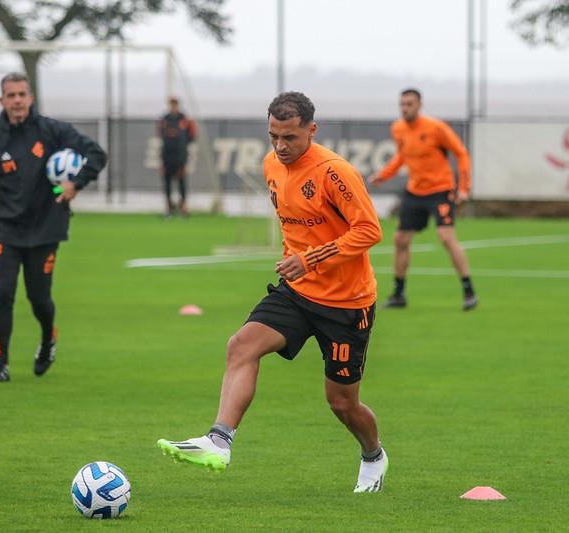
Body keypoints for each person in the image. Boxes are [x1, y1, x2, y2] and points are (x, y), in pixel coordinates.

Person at [157, 92, 388, 493]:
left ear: (311, 131)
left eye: (290, 138)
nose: (280, 147)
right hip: (296, 292)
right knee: (241, 345)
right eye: (273, 137)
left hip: (346, 305)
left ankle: (373, 455)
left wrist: (310, 259)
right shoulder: (270, 165)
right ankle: (219, 441)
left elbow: (370, 230)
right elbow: (294, 226)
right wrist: (295, 263)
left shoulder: (335, 172)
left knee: (342, 404)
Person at [0, 72, 107, 383]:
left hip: (46, 228)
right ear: (2, 101)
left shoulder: (52, 131)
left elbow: (97, 154)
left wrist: (75, 184)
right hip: (5, 229)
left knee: (38, 298)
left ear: (30, 98)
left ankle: (48, 339)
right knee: (3, 293)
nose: (17, 100)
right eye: (11, 95)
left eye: (22, 94)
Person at [368, 88, 477, 311]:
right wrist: (384, 174)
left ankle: (468, 290)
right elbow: (402, 156)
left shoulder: (436, 128)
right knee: (400, 239)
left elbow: (461, 153)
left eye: (409, 104)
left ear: (420, 105)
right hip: (415, 192)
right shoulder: (398, 128)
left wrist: (464, 188)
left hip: (440, 190)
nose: (405, 108)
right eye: (402, 104)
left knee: (446, 237)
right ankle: (399, 293)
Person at [157, 97, 196, 217]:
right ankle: (169, 208)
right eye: (171, 104)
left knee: (181, 182)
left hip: (180, 157)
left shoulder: (184, 120)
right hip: (167, 156)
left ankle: (184, 207)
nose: (173, 106)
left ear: (178, 105)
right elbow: (160, 134)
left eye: (175, 104)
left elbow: (192, 135)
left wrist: (183, 149)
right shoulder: (165, 119)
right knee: (167, 182)